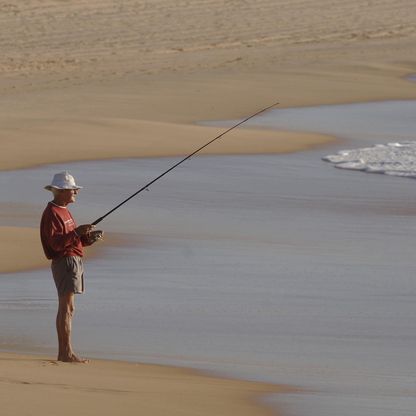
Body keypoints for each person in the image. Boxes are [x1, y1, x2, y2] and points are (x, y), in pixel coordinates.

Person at [40, 171, 102, 363]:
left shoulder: (64, 210)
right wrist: (77, 232)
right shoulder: (51, 213)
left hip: (72, 260)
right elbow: (56, 245)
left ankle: (66, 352)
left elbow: (71, 241)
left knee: (69, 308)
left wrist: (86, 239)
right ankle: (65, 353)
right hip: (65, 262)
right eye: (72, 189)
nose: (76, 191)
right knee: (66, 308)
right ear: (59, 191)